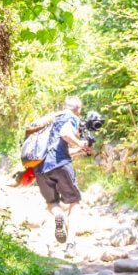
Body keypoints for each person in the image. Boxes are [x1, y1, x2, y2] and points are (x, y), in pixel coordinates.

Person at [36, 96, 92, 245]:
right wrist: (80, 143)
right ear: (78, 109)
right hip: (60, 164)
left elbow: (57, 148)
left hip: (40, 167)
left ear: (64, 106)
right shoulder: (71, 117)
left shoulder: (52, 120)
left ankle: (58, 215)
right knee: (75, 202)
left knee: (52, 202)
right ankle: (71, 243)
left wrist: (80, 150)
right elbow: (66, 134)